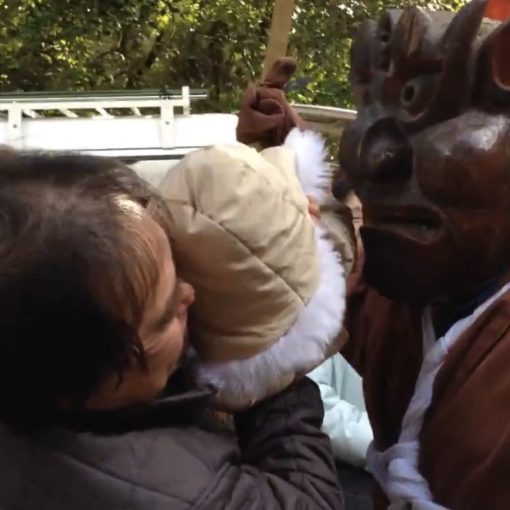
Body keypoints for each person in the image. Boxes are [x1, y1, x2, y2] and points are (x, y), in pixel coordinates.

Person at [0, 151, 343, 509]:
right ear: (96, 378)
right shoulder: (191, 496)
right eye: (166, 316)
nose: (190, 293)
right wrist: (275, 352)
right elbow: (310, 501)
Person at [338, 0, 510, 508]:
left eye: (415, 102)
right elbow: (343, 315)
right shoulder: (406, 305)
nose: (371, 157)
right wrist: (280, 150)